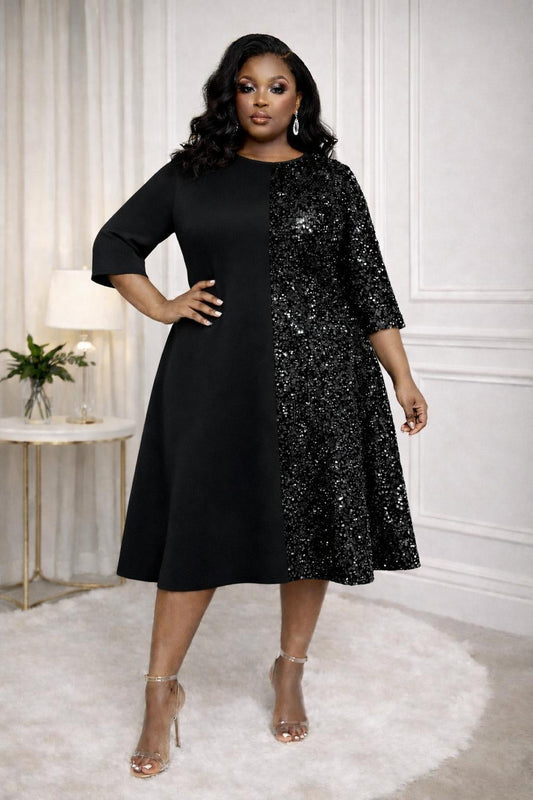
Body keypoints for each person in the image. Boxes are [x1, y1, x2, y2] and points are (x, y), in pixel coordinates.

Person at [92, 32, 427, 778]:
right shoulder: (191, 174)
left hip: (325, 379)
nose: (262, 101)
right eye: (247, 87)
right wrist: (163, 305)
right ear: (229, 95)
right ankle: (160, 690)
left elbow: (368, 286)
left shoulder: (332, 182)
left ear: (298, 97)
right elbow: (115, 244)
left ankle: (289, 669)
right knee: (197, 527)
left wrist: (402, 377)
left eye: (277, 87)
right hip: (213, 377)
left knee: (310, 528)